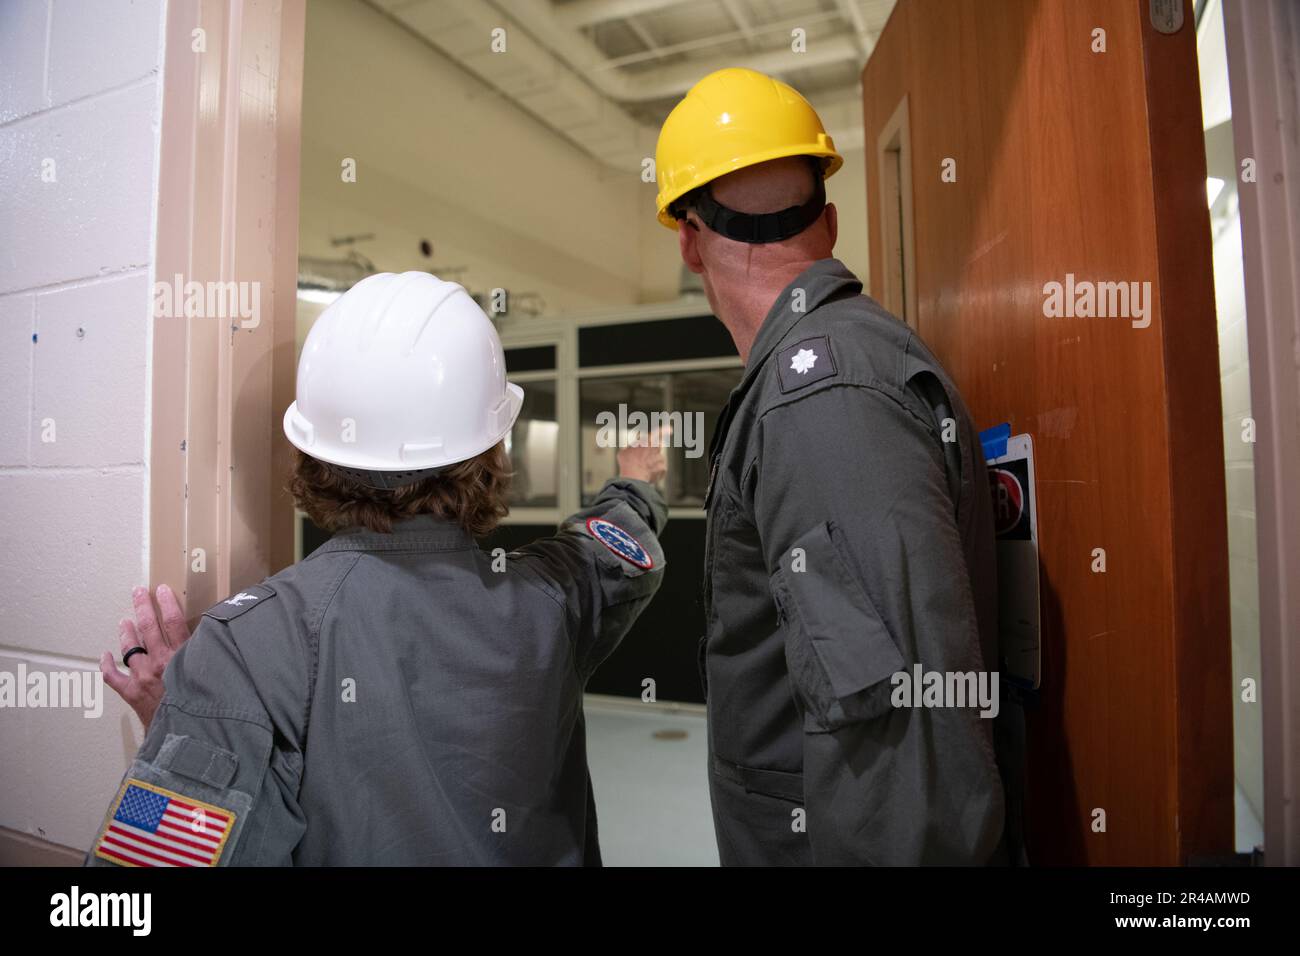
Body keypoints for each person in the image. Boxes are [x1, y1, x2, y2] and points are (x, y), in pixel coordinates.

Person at [91, 271, 668, 866]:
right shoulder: (558, 595)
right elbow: (621, 544)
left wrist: (191, 725)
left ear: (311, 455)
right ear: (493, 453)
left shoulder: (246, 648)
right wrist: (636, 480)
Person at [655, 67, 1026, 865]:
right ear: (826, 223)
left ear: (688, 240)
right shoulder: (823, 375)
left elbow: (904, 762)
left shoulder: (820, 398)